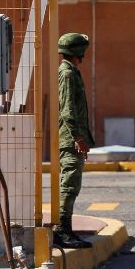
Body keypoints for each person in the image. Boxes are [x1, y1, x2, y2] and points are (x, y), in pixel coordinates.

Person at [54, 33, 95, 249]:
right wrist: (78, 138)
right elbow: (67, 109)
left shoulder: (71, 71)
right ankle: (62, 230)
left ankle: (66, 229)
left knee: (72, 184)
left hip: (73, 137)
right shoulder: (67, 73)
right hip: (71, 139)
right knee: (69, 185)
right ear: (78, 51)